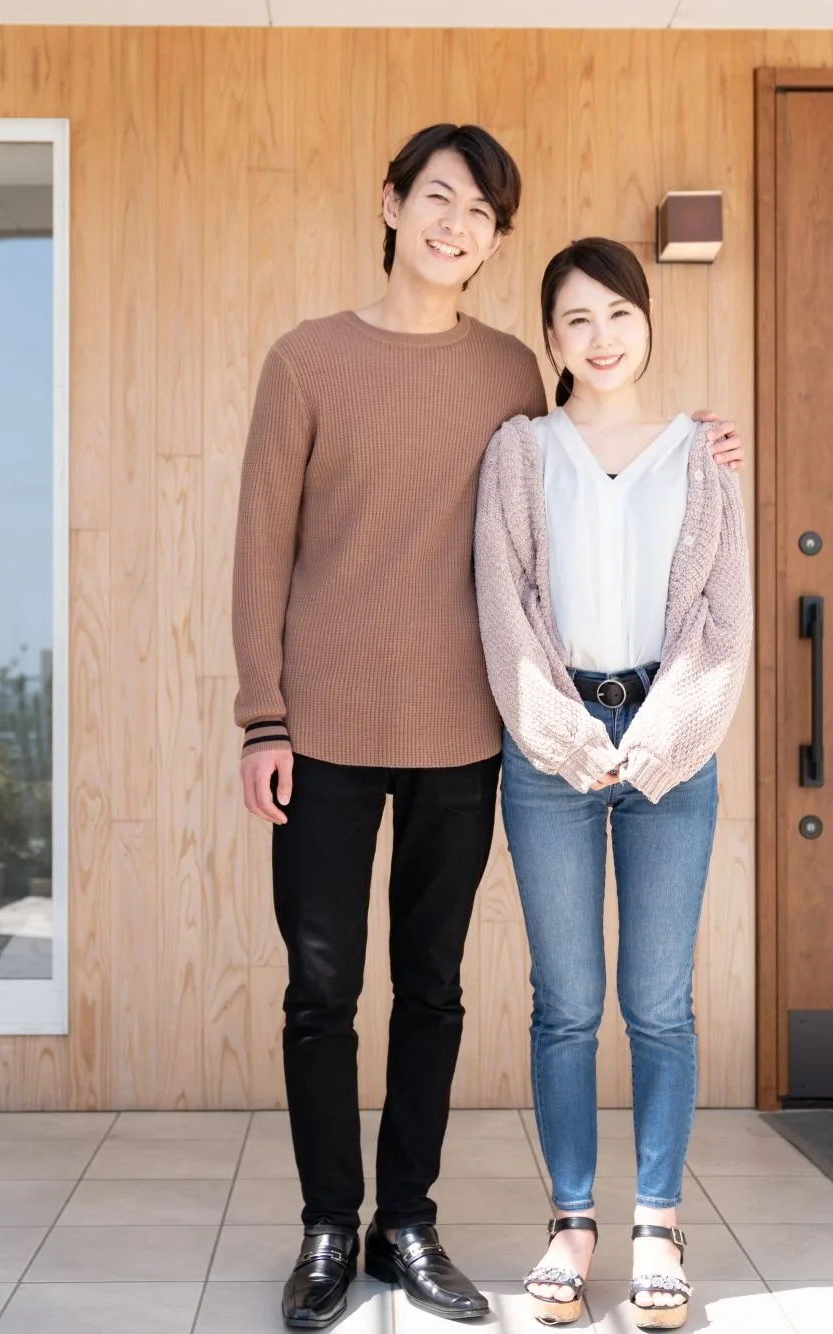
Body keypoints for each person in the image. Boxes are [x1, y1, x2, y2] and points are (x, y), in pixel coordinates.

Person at [233, 126, 743, 1329]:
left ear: (496, 242)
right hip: (324, 726)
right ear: (393, 202)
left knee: (435, 987)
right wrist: (264, 715)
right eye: (437, 199)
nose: (455, 224)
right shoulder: (304, 360)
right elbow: (260, 550)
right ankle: (324, 1224)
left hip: (470, 728)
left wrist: (708, 448)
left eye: (480, 213)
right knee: (318, 989)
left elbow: (575, 482)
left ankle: (405, 1223)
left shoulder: (513, 373)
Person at [474, 238, 753, 1330]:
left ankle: (655, 1226)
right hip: (549, 749)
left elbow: (720, 617)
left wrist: (660, 734)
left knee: (657, 1004)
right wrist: (558, 732)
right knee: (566, 1004)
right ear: (550, 339)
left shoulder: (700, 453)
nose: (599, 336)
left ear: (646, 322)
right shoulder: (517, 450)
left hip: (670, 743)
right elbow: (501, 605)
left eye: (616, 313)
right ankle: (571, 1222)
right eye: (575, 319)